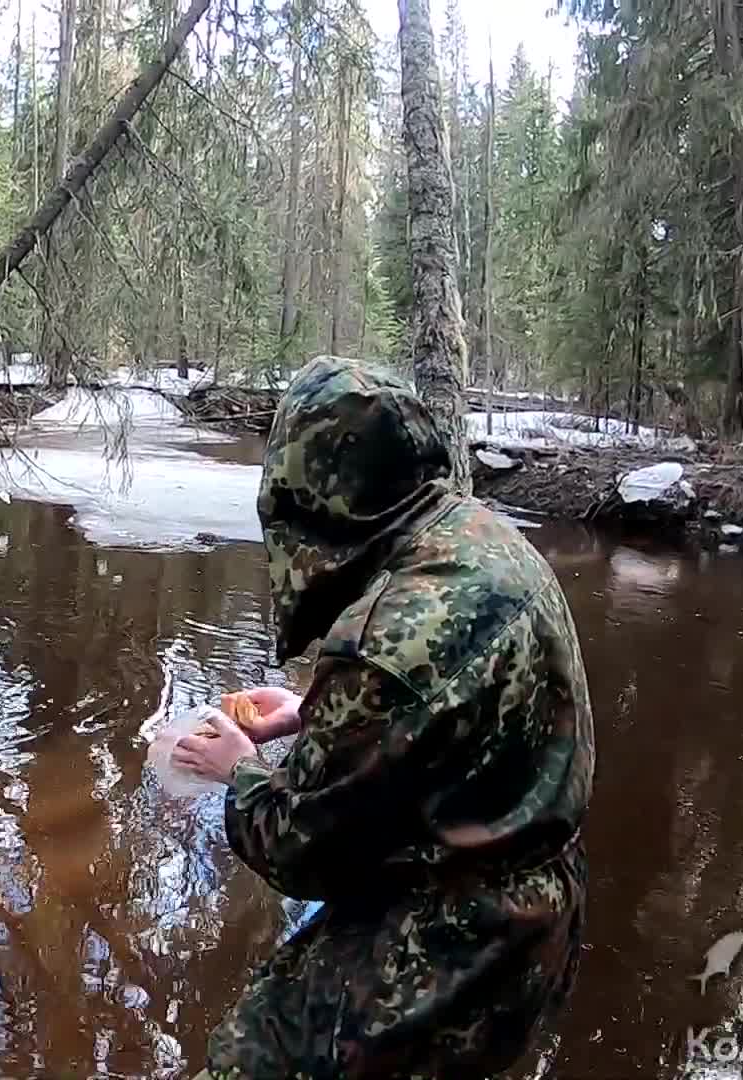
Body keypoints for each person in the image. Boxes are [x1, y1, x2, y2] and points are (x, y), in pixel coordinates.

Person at [171, 357, 595, 1079]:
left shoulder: (391, 639)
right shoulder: (483, 538)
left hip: (446, 949)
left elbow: (299, 846)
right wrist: (313, 714)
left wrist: (237, 766)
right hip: (537, 926)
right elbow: (459, 715)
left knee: (255, 1058)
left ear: (322, 490)